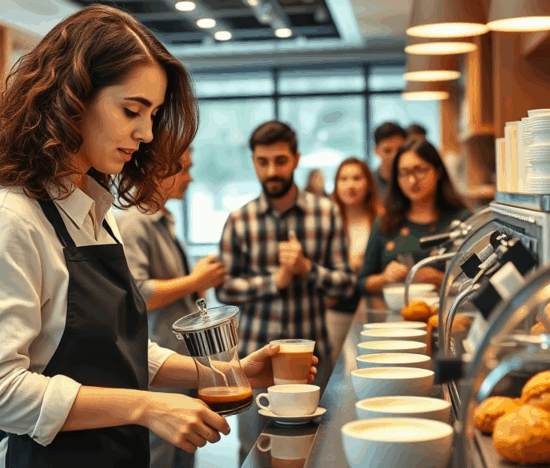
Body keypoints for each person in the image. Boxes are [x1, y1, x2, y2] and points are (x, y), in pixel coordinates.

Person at [0, 7, 317, 468]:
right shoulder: (12, 219)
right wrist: (146, 405)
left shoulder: (95, 213)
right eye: (132, 110)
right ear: (72, 99)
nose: (145, 133)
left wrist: (230, 371)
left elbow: (118, 354)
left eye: (153, 115)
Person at [215, 120, 354, 461]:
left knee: (316, 450)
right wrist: (273, 282)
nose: (272, 170)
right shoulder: (240, 219)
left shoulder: (325, 213)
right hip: (255, 359)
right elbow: (224, 289)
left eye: (280, 161)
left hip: (312, 359)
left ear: (296, 158)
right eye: (263, 162)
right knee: (254, 449)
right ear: (253, 162)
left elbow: (346, 283)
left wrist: (307, 269)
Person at [116, 148, 226, 468]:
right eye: (184, 170)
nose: (191, 178)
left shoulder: (163, 221)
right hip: (159, 364)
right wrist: (194, 280)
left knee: (184, 452)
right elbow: (139, 294)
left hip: (180, 361)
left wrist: (196, 283)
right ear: (156, 172)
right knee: (161, 457)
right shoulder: (135, 223)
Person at [357, 139, 471, 300]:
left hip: (447, 315)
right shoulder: (384, 223)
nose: (412, 181)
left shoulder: (462, 222)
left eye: (420, 170)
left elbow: (479, 281)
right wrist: (385, 278)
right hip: (394, 316)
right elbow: (362, 283)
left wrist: (442, 279)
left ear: (437, 171)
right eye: (404, 173)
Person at [326, 158, 383, 362]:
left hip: (373, 305)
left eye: (357, 178)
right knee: (338, 367)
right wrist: (348, 265)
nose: (350, 185)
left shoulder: (381, 218)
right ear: (336, 184)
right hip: (336, 307)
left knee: (373, 360)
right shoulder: (327, 220)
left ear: (368, 183)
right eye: (344, 179)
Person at [372, 122, 407, 199]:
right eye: (387, 151)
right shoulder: (368, 183)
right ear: (376, 151)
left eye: (399, 150)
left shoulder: (411, 181)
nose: (394, 156)